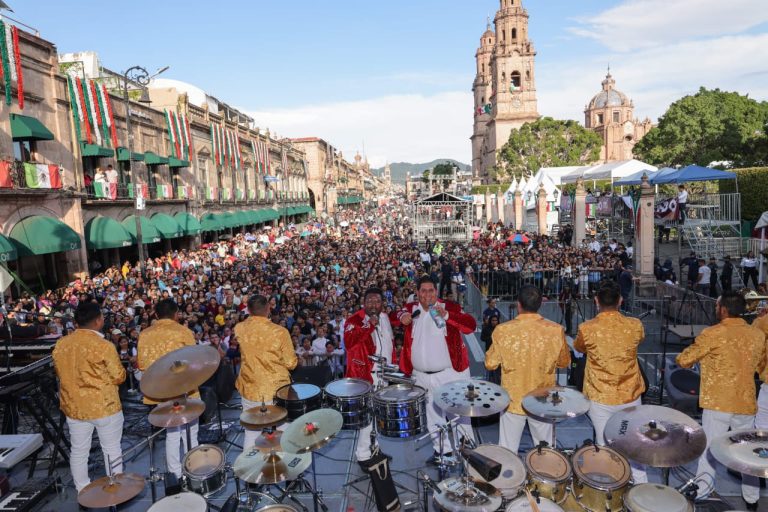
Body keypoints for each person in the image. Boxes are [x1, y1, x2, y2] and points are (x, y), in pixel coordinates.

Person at [676, 290, 764, 510]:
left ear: (724, 309)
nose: (716, 310)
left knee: (711, 449)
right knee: (746, 452)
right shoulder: (757, 334)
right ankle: (752, 499)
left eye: (717, 306)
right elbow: (761, 366)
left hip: (718, 402)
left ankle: (704, 490)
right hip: (745, 401)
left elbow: (685, 360)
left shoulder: (712, 333)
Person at [573, 280, 647, 483]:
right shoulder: (635, 325)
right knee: (633, 445)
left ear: (596, 301)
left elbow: (579, 348)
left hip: (600, 396)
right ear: (620, 301)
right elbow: (639, 340)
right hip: (630, 394)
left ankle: (610, 487)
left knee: (604, 446)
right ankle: (641, 490)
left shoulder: (587, 328)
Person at [398, 275, 477, 460]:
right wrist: (402, 316)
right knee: (433, 417)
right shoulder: (411, 309)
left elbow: (470, 326)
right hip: (421, 376)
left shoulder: (450, 307)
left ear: (436, 291)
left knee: (460, 416)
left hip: (451, 374)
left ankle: (469, 455)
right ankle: (443, 451)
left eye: (431, 290)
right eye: (423, 291)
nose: (427, 294)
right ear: (417, 293)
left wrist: (447, 316)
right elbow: (397, 314)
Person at [485, 285, 570, 454]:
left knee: (507, 451)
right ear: (540, 304)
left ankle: (510, 480)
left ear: (519, 304)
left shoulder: (503, 330)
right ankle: (546, 479)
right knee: (545, 451)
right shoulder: (555, 330)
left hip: (513, 399)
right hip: (542, 399)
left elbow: (490, 363)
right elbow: (563, 362)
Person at [52, 301, 126, 492]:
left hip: (75, 407)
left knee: (78, 451)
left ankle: (82, 492)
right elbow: (119, 376)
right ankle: (115, 491)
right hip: (104, 406)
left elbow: (60, 373)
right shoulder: (104, 346)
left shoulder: (61, 344)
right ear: (98, 321)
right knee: (111, 450)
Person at [137, 298, 200, 478]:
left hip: (160, 391)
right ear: (176, 314)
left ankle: (175, 474)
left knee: (171, 432)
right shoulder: (183, 332)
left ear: (156, 315)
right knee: (191, 432)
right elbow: (194, 361)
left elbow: (142, 365)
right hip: (184, 388)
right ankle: (193, 470)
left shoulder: (145, 334)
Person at [234, 295, 297, 451]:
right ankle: (283, 471)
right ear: (269, 308)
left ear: (248, 310)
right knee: (283, 428)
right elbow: (291, 363)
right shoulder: (280, 332)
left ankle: (250, 471)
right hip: (277, 390)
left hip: (250, 387)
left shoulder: (239, 328)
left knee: (251, 431)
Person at [344, 287, 394, 461]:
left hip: (383, 375)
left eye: (377, 301)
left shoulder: (385, 318)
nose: (374, 305)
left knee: (378, 415)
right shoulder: (354, 320)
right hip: (365, 376)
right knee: (366, 417)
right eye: (370, 301)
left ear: (382, 304)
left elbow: (389, 344)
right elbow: (349, 342)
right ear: (363, 303)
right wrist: (368, 325)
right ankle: (363, 455)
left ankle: (375, 448)